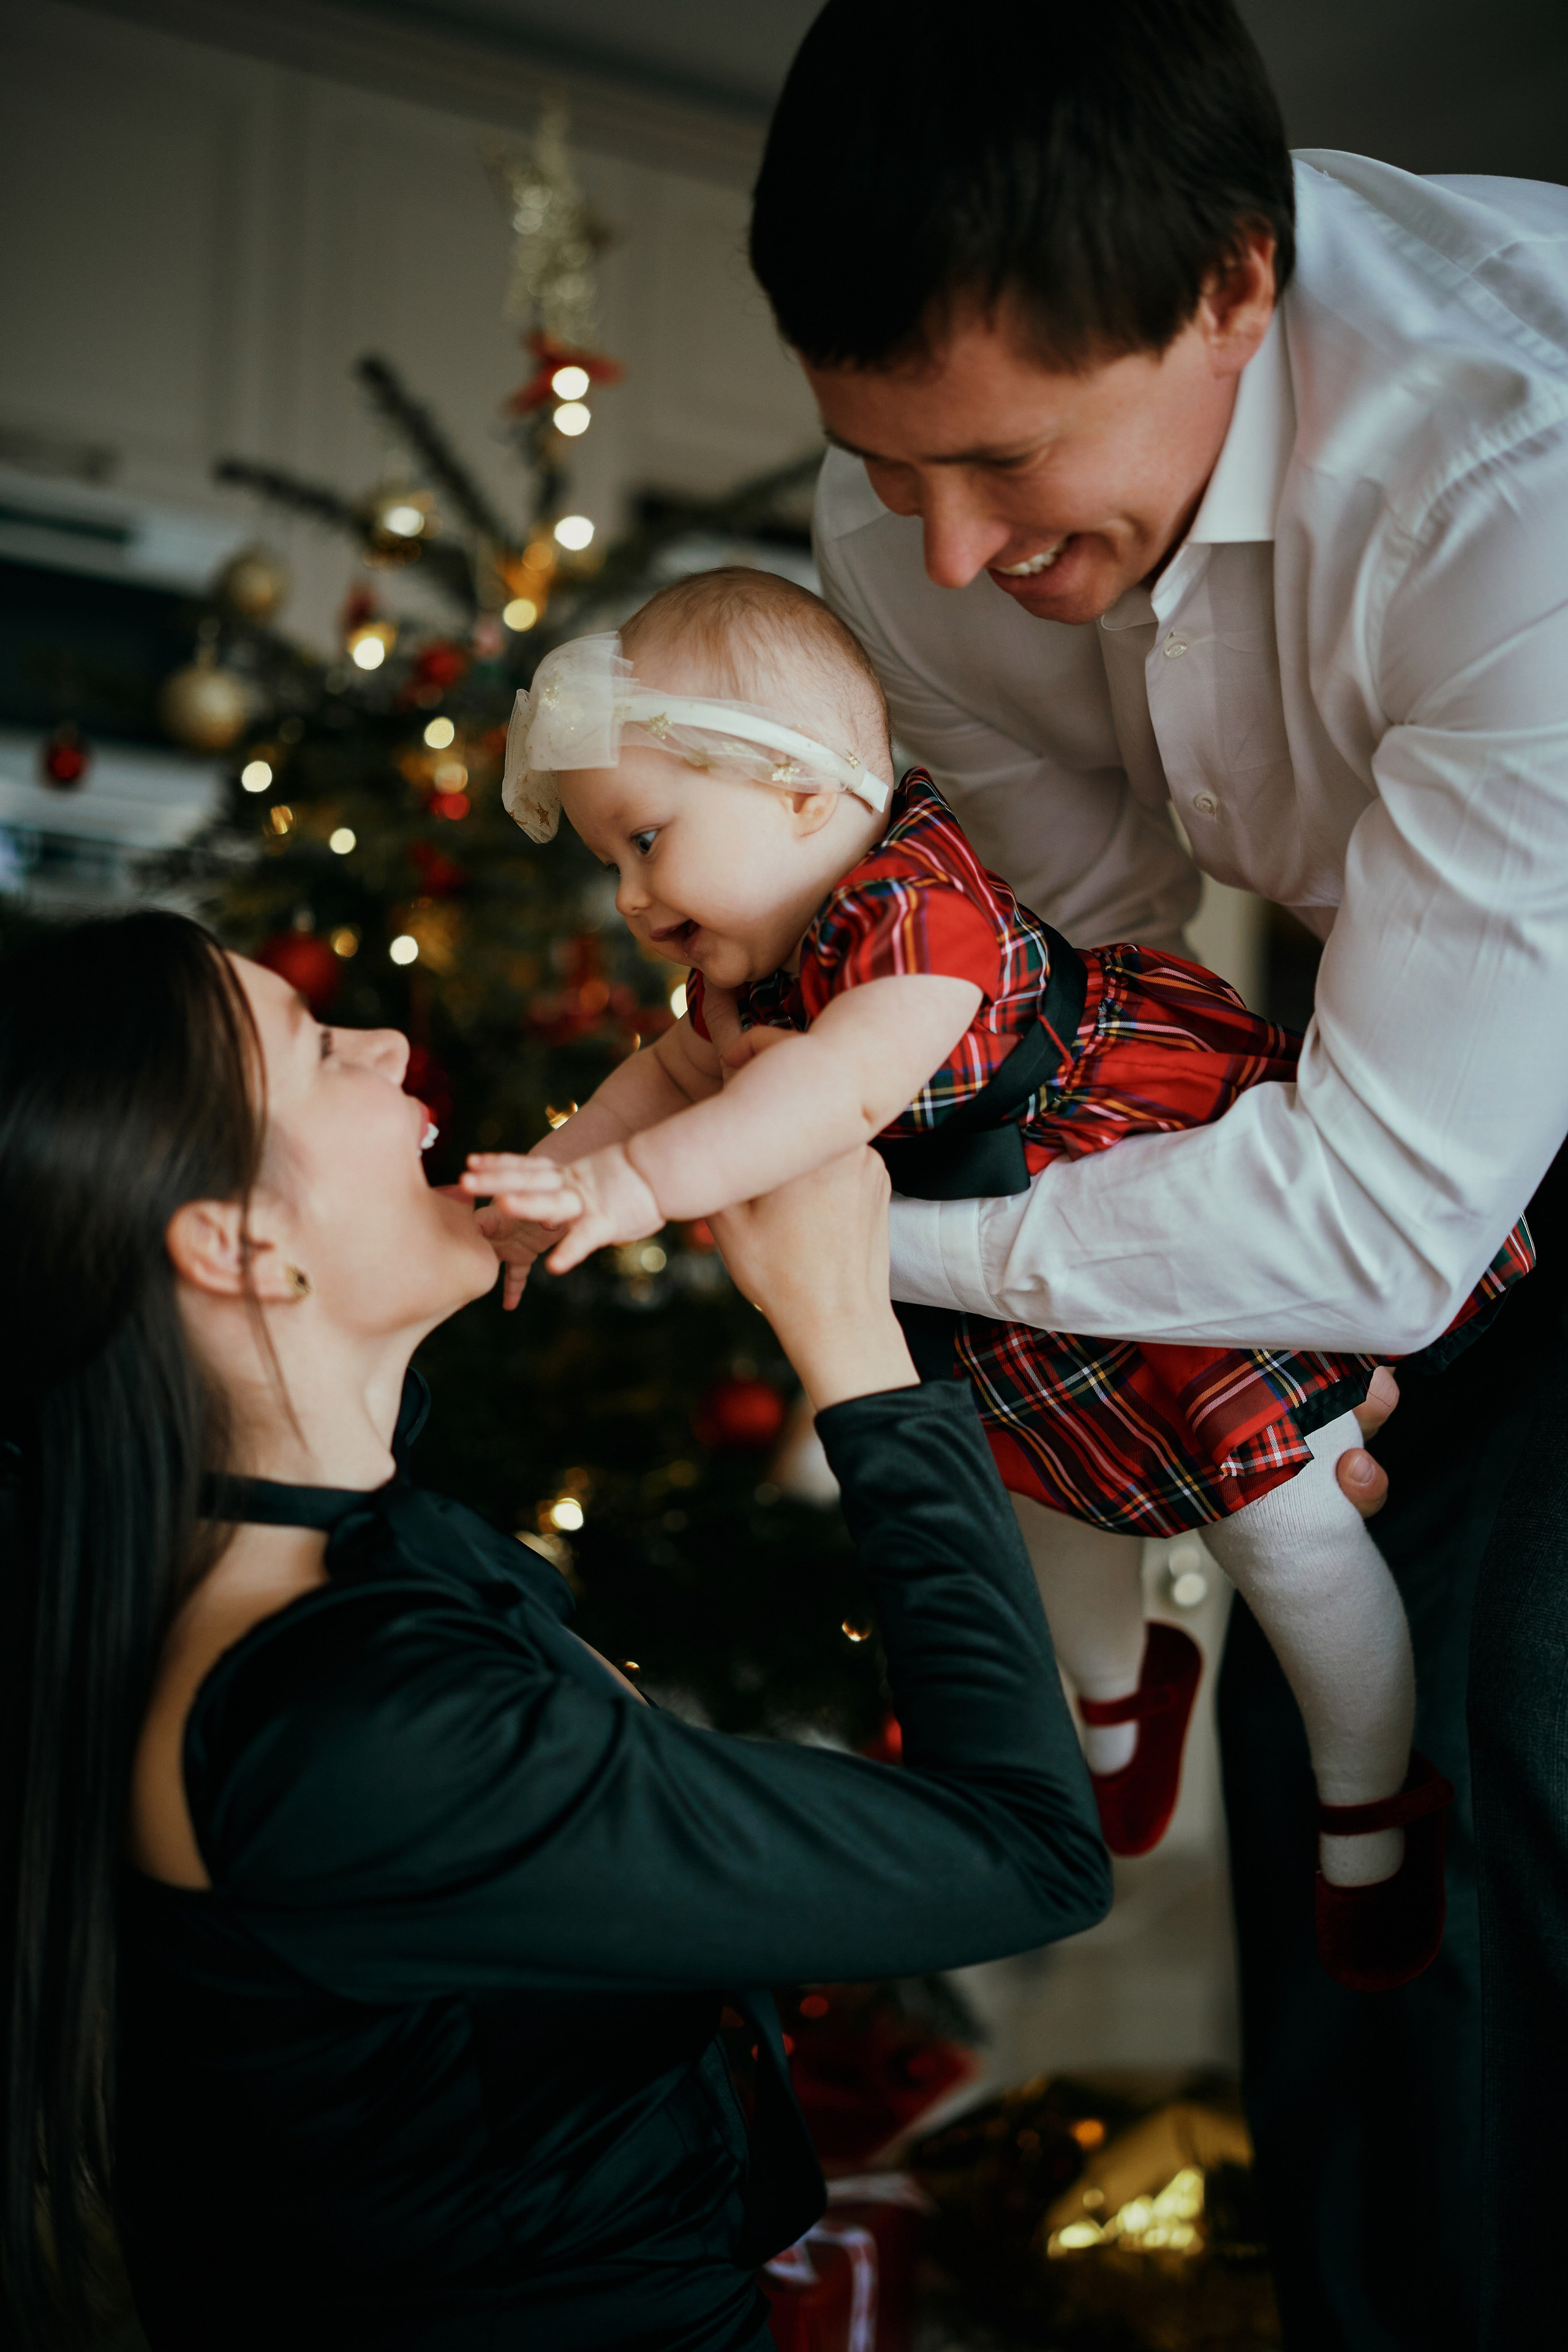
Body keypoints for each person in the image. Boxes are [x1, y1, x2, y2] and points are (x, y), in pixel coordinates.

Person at [746, 2, 1568, 2343]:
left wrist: (858, 1241)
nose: (950, 553)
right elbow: (1092, 988)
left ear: (1235, 286)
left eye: (1008, 464)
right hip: (1398, 1001)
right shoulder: (912, 512)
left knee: (1520, 1701)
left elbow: (1387, 1230)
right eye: (887, 466)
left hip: (1488, 1005)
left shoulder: (1520, 486)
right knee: (1343, 1750)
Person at [0, 909, 1109, 2352]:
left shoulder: (298, 1546)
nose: (389, 1039)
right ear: (239, 1247)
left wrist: (706, 1105)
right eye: (320, 1048)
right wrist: (850, 1339)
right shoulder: (363, 1736)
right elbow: (1030, 1855)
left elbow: (531, 1207)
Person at [474, 564, 1527, 1994]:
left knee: (1284, 1523)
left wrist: (630, 1190)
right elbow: (662, 1075)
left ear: (795, 792)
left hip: (1159, 1219)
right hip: (1015, 1293)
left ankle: (1367, 1798)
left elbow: (838, 1098)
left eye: (648, 840)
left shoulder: (918, 912)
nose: (631, 895)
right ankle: (1112, 1717)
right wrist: (559, 1168)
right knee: (1046, 1508)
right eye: (613, 858)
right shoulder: (747, 974)